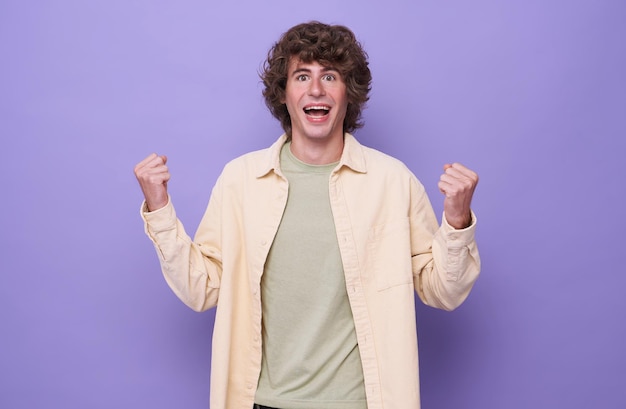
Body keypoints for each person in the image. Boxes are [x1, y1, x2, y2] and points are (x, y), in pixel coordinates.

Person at [134, 21, 480, 409]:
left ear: (348, 93)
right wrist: (161, 210)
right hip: (263, 402)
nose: (316, 89)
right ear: (284, 94)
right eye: (302, 76)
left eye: (329, 76)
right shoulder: (241, 180)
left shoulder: (392, 182)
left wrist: (456, 221)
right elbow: (204, 289)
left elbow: (442, 291)